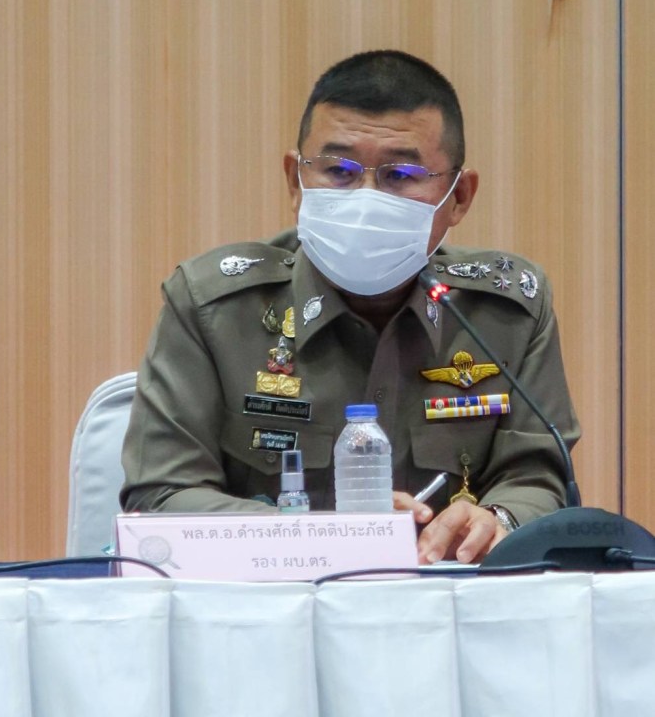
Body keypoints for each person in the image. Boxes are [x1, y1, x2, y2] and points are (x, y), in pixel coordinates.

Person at [120, 49, 580, 564]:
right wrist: (322, 536)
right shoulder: (212, 307)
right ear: (295, 181)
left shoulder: (507, 312)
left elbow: (538, 477)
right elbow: (160, 496)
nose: (365, 198)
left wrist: (500, 519)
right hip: (269, 603)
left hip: (452, 597)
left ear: (459, 197)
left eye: (401, 174)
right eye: (338, 170)